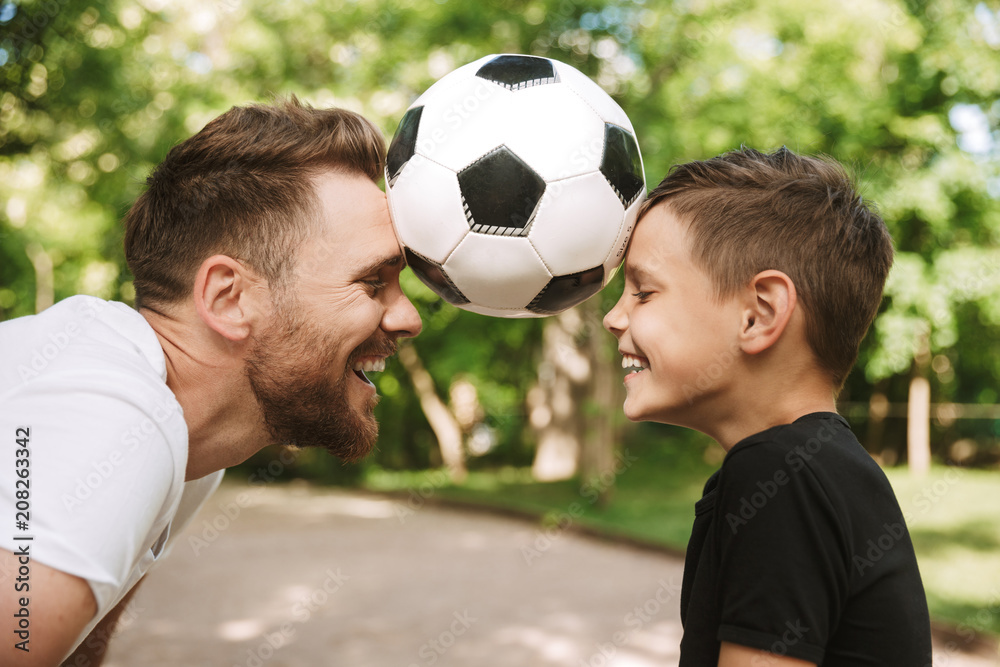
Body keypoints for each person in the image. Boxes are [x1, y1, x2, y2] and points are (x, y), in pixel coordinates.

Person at [0, 97, 422, 666]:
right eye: (373, 282)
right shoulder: (119, 412)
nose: (408, 318)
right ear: (229, 298)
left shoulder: (189, 446)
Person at [603, 147, 932, 666]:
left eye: (643, 292)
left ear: (758, 315)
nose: (613, 318)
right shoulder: (820, 469)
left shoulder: (779, 473)